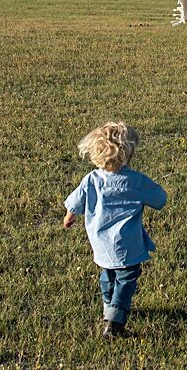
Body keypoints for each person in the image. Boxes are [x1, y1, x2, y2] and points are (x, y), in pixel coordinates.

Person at [63, 122, 167, 338]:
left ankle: (108, 307)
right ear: (128, 152)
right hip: (127, 243)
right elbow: (160, 199)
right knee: (127, 278)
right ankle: (115, 323)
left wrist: (69, 217)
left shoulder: (91, 179)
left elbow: (74, 203)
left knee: (107, 276)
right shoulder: (135, 181)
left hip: (100, 243)